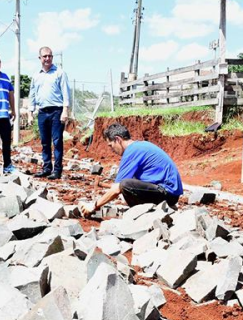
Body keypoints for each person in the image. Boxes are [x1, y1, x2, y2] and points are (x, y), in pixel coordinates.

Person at [81, 123, 183, 216]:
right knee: (129, 183)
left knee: (126, 185)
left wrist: (94, 206)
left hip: (168, 193)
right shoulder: (138, 146)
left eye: (111, 146)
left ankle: (143, 215)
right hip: (170, 194)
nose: (112, 150)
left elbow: (117, 188)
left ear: (118, 140)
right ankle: (159, 209)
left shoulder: (132, 151)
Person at [28, 46, 71, 180]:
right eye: (45, 56)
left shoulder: (60, 73)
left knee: (57, 141)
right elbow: (32, 94)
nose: (47, 58)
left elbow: (66, 92)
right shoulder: (36, 75)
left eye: (50, 56)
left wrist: (65, 110)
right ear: (40, 58)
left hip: (57, 111)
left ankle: (57, 170)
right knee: (45, 142)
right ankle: (47, 168)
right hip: (42, 112)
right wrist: (30, 112)